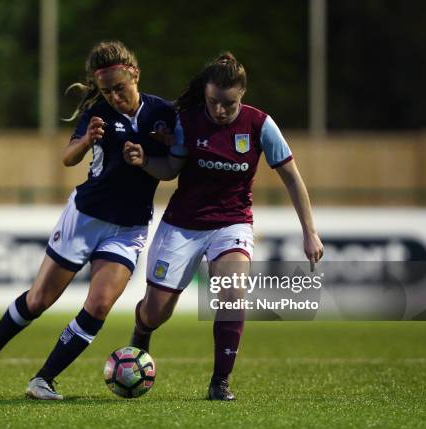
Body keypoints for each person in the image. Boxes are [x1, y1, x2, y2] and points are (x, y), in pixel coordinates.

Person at [0, 40, 176, 400]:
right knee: (39, 300)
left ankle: (43, 379)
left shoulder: (165, 113)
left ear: (135, 74)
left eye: (119, 88)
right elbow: (68, 157)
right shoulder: (98, 112)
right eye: (107, 91)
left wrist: (168, 144)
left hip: (129, 227)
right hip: (86, 218)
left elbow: (174, 164)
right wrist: (87, 138)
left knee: (100, 305)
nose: (114, 97)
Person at [123, 52, 324, 401]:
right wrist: (144, 162)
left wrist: (310, 231)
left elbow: (292, 178)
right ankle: (141, 335)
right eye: (213, 101)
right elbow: (171, 170)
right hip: (183, 225)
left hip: (232, 223)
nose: (219, 110)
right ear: (206, 94)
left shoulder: (260, 125)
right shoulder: (188, 120)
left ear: (241, 95)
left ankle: (220, 382)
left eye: (228, 104)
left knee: (232, 293)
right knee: (155, 311)